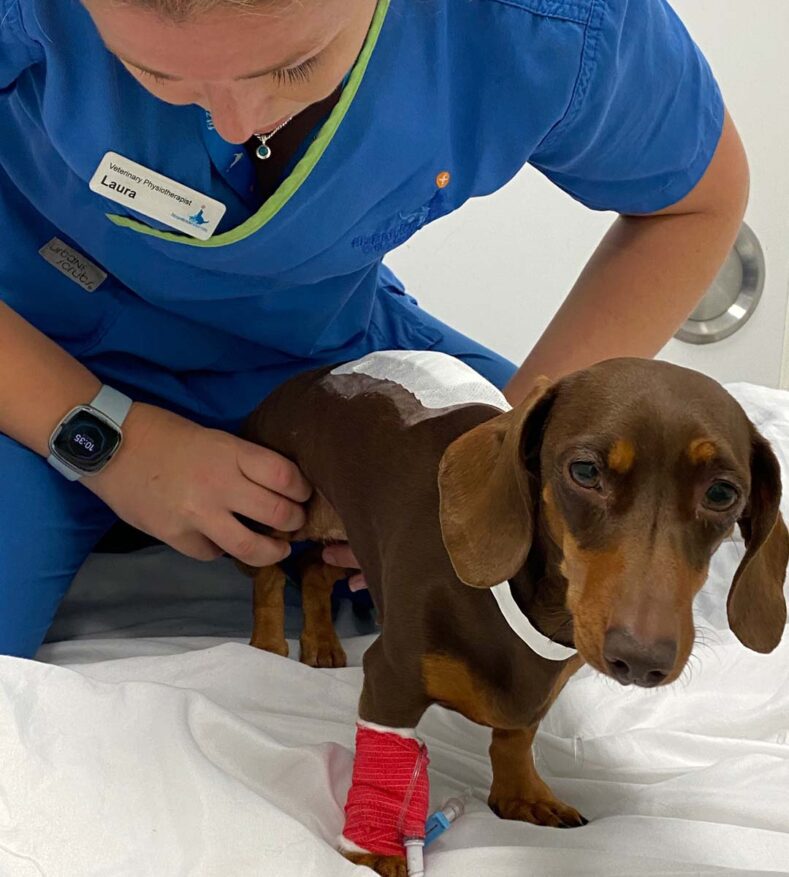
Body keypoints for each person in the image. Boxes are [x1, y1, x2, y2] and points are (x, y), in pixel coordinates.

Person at [0, 0, 748, 658]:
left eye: (295, 66)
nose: (238, 121)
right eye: (154, 75)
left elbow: (691, 203)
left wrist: (487, 466)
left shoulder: (534, 19)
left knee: (539, 558)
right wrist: (108, 442)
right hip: (29, 342)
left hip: (314, 351)